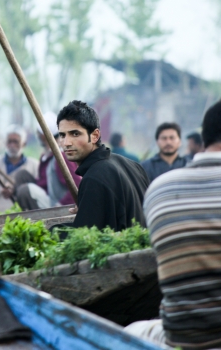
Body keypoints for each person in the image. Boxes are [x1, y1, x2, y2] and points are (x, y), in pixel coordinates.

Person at [125, 100, 221, 349]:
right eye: (163, 137)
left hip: (180, 336)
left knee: (132, 330)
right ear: (158, 142)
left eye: (172, 137)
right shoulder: (149, 169)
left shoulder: (159, 189)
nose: (168, 142)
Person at [56, 100, 149, 231]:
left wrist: (53, 230)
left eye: (75, 134)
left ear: (94, 136)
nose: (66, 142)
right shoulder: (133, 165)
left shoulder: (94, 177)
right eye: (62, 135)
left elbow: (87, 236)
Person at [11, 112, 81, 210]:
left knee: (24, 191)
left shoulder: (61, 157)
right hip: (47, 195)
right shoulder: (46, 156)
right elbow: (43, 183)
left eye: (38, 133)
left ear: (44, 135)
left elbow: (77, 186)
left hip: (59, 204)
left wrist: (61, 205)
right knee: (21, 175)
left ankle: (38, 218)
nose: (37, 135)